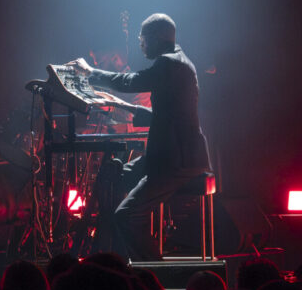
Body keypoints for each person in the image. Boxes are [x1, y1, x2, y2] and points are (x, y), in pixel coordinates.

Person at [70, 13, 211, 260]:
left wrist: (90, 73)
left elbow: (130, 81)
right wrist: (129, 108)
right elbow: (169, 113)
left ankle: (154, 269)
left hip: (176, 162)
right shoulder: (179, 60)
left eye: (142, 39)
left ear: (155, 38)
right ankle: (114, 252)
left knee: (126, 215)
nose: (140, 44)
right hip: (172, 154)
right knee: (113, 176)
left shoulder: (168, 63)